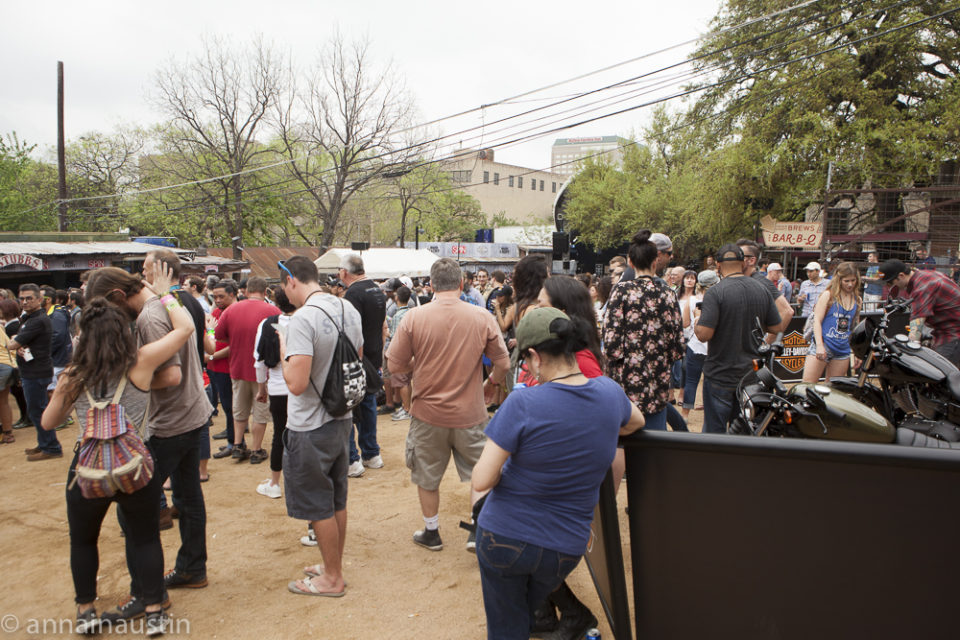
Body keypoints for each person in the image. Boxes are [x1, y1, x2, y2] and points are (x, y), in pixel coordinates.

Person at [472, 307, 644, 640]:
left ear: (535, 356)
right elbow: (634, 422)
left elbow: (482, 479)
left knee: (508, 625)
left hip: (504, 536)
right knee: (524, 609)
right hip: (565, 546)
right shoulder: (609, 392)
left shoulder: (523, 404)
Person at [40, 263, 191, 635]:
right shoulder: (139, 364)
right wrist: (163, 294)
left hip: (87, 469)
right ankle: (154, 609)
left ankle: (86, 610)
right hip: (135, 467)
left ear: (83, 336)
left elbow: (47, 423)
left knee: (84, 540)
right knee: (144, 537)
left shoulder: (73, 377)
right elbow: (185, 328)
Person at [86, 265, 213, 601]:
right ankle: (191, 568)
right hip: (190, 414)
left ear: (117, 297)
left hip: (168, 423)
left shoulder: (148, 318)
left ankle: (146, 591)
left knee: (134, 513)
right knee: (188, 498)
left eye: (108, 310)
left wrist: (125, 383)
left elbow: (170, 376)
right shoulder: (165, 305)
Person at [386, 258, 510, 552]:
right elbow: (503, 363)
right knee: (481, 474)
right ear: (461, 284)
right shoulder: (481, 317)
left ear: (430, 285)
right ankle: (477, 529)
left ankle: (432, 532)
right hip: (471, 412)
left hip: (428, 413)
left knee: (427, 476)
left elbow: (394, 363)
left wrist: (411, 373)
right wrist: (490, 384)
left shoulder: (414, 318)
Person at [277, 256, 363, 597]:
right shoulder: (348, 309)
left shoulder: (302, 320)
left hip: (310, 425)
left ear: (291, 281)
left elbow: (296, 383)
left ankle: (332, 579)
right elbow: (355, 357)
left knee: (317, 504)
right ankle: (333, 567)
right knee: (336, 499)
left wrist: (285, 349)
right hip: (341, 418)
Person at [602, 231, 685, 431]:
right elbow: (677, 345)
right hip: (658, 377)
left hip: (626, 379)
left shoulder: (621, 291)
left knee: (625, 438)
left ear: (630, 262)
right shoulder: (667, 293)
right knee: (656, 437)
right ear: (655, 262)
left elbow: (611, 342)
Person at [694, 244, 781, 433]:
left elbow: (703, 334)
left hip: (720, 374)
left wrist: (697, 319)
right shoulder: (761, 289)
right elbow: (776, 326)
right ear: (742, 263)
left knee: (714, 432)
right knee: (743, 431)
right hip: (750, 375)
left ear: (718, 265)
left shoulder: (716, 292)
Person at [214, 276, 279, 464]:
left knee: (239, 409)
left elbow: (219, 336)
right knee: (260, 412)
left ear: (246, 291)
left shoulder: (231, 310)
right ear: (265, 291)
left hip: (237, 366)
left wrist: (236, 341)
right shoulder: (273, 311)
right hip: (264, 371)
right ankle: (257, 449)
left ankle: (237, 444)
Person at [338, 254, 386, 477]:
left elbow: (351, 330)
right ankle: (371, 453)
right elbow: (383, 327)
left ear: (345, 272)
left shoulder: (353, 294)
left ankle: (352, 459)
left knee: (348, 406)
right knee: (368, 404)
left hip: (358, 359)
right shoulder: (377, 290)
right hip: (374, 356)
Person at [6, 284, 62, 461]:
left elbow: (12, 344)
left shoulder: (37, 320)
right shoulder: (30, 318)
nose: (24, 302)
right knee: (37, 410)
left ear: (39, 299)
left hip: (36, 372)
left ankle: (51, 447)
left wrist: (14, 341)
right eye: (22, 298)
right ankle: (45, 443)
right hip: (33, 370)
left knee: (38, 411)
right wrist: (18, 342)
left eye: (29, 298)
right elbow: (20, 343)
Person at [253, 287, 296, 499]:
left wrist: (262, 389)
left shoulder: (267, 324)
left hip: (279, 388)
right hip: (302, 387)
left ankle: (275, 482)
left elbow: (259, 361)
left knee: (280, 434)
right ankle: (300, 480)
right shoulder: (305, 321)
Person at [880, 258, 960, 366]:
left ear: (901, 276)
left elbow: (916, 327)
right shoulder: (925, 276)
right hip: (946, 330)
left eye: (890, 282)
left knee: (938, 373)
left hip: (953, 333)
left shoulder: (922, 287)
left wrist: (907, 351)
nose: (889, 287)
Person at [802, 262, 861, 383]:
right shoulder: (828, 295)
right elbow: (817, 320)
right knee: (808, 385)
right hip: (824, 343)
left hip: (842, 349)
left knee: (833, 390)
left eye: (853, 280)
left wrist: (857, 353)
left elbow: (855, 328)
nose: (850, 284)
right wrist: (819, 345)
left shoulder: (857, 299)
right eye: (846, 281)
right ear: (839, 280)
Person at [737, 239, 794, 337]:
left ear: (751, 260)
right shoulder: (739, 281)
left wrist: (766, 343)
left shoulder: (761, 282)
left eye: (739, 256)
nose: (734, 260)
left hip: (751, 349)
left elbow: (787, 312)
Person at [681, 270, 717, 420]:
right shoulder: (718, 300)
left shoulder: (691, 300)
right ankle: (710, 414)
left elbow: (684, 323)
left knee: (691, 380)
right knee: (711, 382)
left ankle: (685, 414)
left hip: (695, 345)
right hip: (714, 347)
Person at [208, 280, 237, 455]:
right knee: (227, 405)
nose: (217, 300)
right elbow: (212, 334)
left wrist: (211, 355)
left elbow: (234, 344)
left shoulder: (234, 313)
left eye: (221, 296)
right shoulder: (217, 312)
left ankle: (233, 442)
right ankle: (231, 435)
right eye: (215, 296)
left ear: (232, 295)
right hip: (215, 366)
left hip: (227, 367)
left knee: (230, 405)